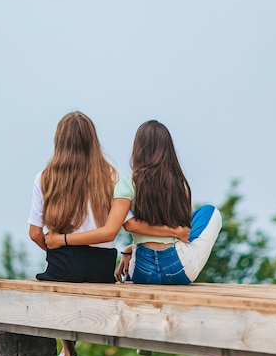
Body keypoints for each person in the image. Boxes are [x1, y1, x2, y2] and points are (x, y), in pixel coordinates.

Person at [29, 112, 188, 356]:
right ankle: (67, 353)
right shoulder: (111, 175)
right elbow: (122, 225)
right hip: (102, 265)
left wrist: (54, 246)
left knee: (59, 280)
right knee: (77, 279)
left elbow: (34, 234)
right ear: (93, 140)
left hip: (64, 263)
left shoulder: (44, 178)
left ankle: (69, 351)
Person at [45, 119, 222, 287]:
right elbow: (182, 231)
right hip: (178, 269)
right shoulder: (180, 184)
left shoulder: (128, 183)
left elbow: (128, 224)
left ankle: (136, 254)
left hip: (141, 271)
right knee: (210, 212)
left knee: (187, 224)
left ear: (138, 149)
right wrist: (175, 231)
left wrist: (131, 247)